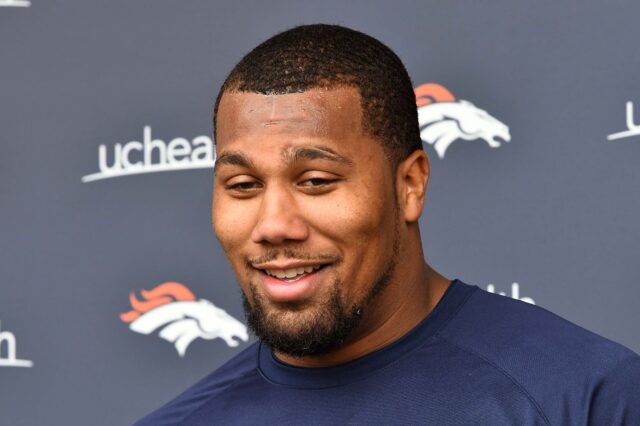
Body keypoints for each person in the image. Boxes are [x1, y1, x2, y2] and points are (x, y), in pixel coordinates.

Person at [136, 24, 640, 425]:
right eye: (243, 185)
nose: (273, 225)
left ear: (410, 186)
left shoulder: (586, 397)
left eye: (315, 181)